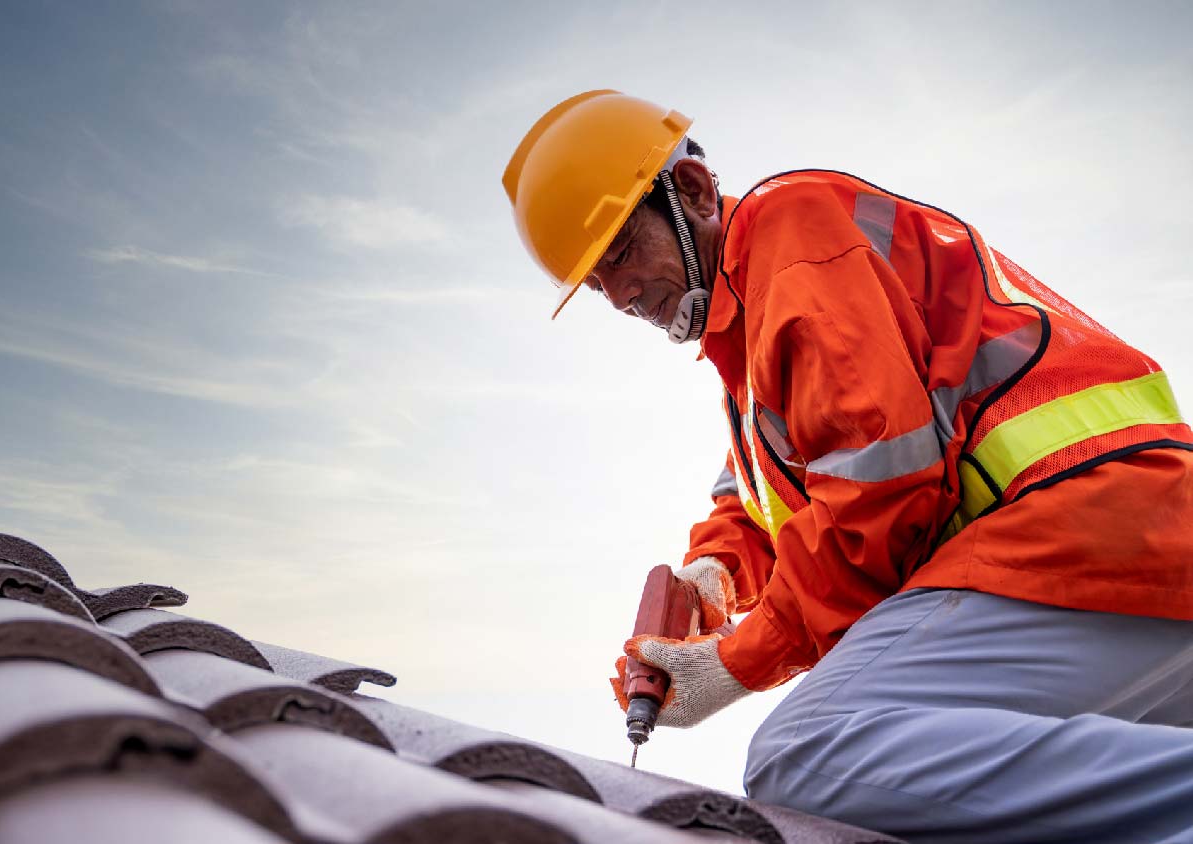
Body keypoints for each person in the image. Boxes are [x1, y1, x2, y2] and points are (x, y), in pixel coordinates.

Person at [501, 90, 1193, 843]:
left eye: (621, 254)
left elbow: (879, 495)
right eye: (596, 284)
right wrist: (717, 572)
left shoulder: (795, 246)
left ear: (692, 192)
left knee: (808, 753)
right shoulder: (753, 331)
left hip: (1081, 535)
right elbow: (774, 494)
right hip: (1130, 546)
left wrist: (737, 660)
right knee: (961, 789)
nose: (621, 295)